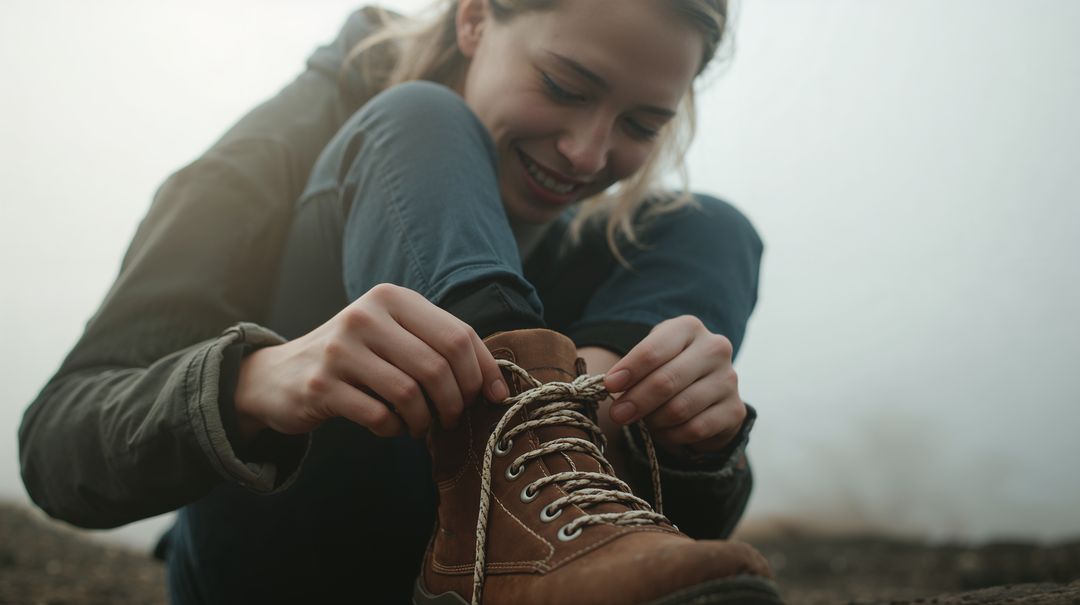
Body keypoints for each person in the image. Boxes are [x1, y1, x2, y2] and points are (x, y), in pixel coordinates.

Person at [19, 1, 775, 603]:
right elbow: (57, 446)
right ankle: (525, 444)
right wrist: (258, 380)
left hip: (518, 570)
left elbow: (695, 544)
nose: (587, 151)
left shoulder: (625, 248)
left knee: (713, 229)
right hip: (286, 568)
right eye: (565, 87)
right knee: (420, 118)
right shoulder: (270, 154)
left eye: (642, 124)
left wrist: (690, 448)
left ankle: (570, 453)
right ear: (474, 16)